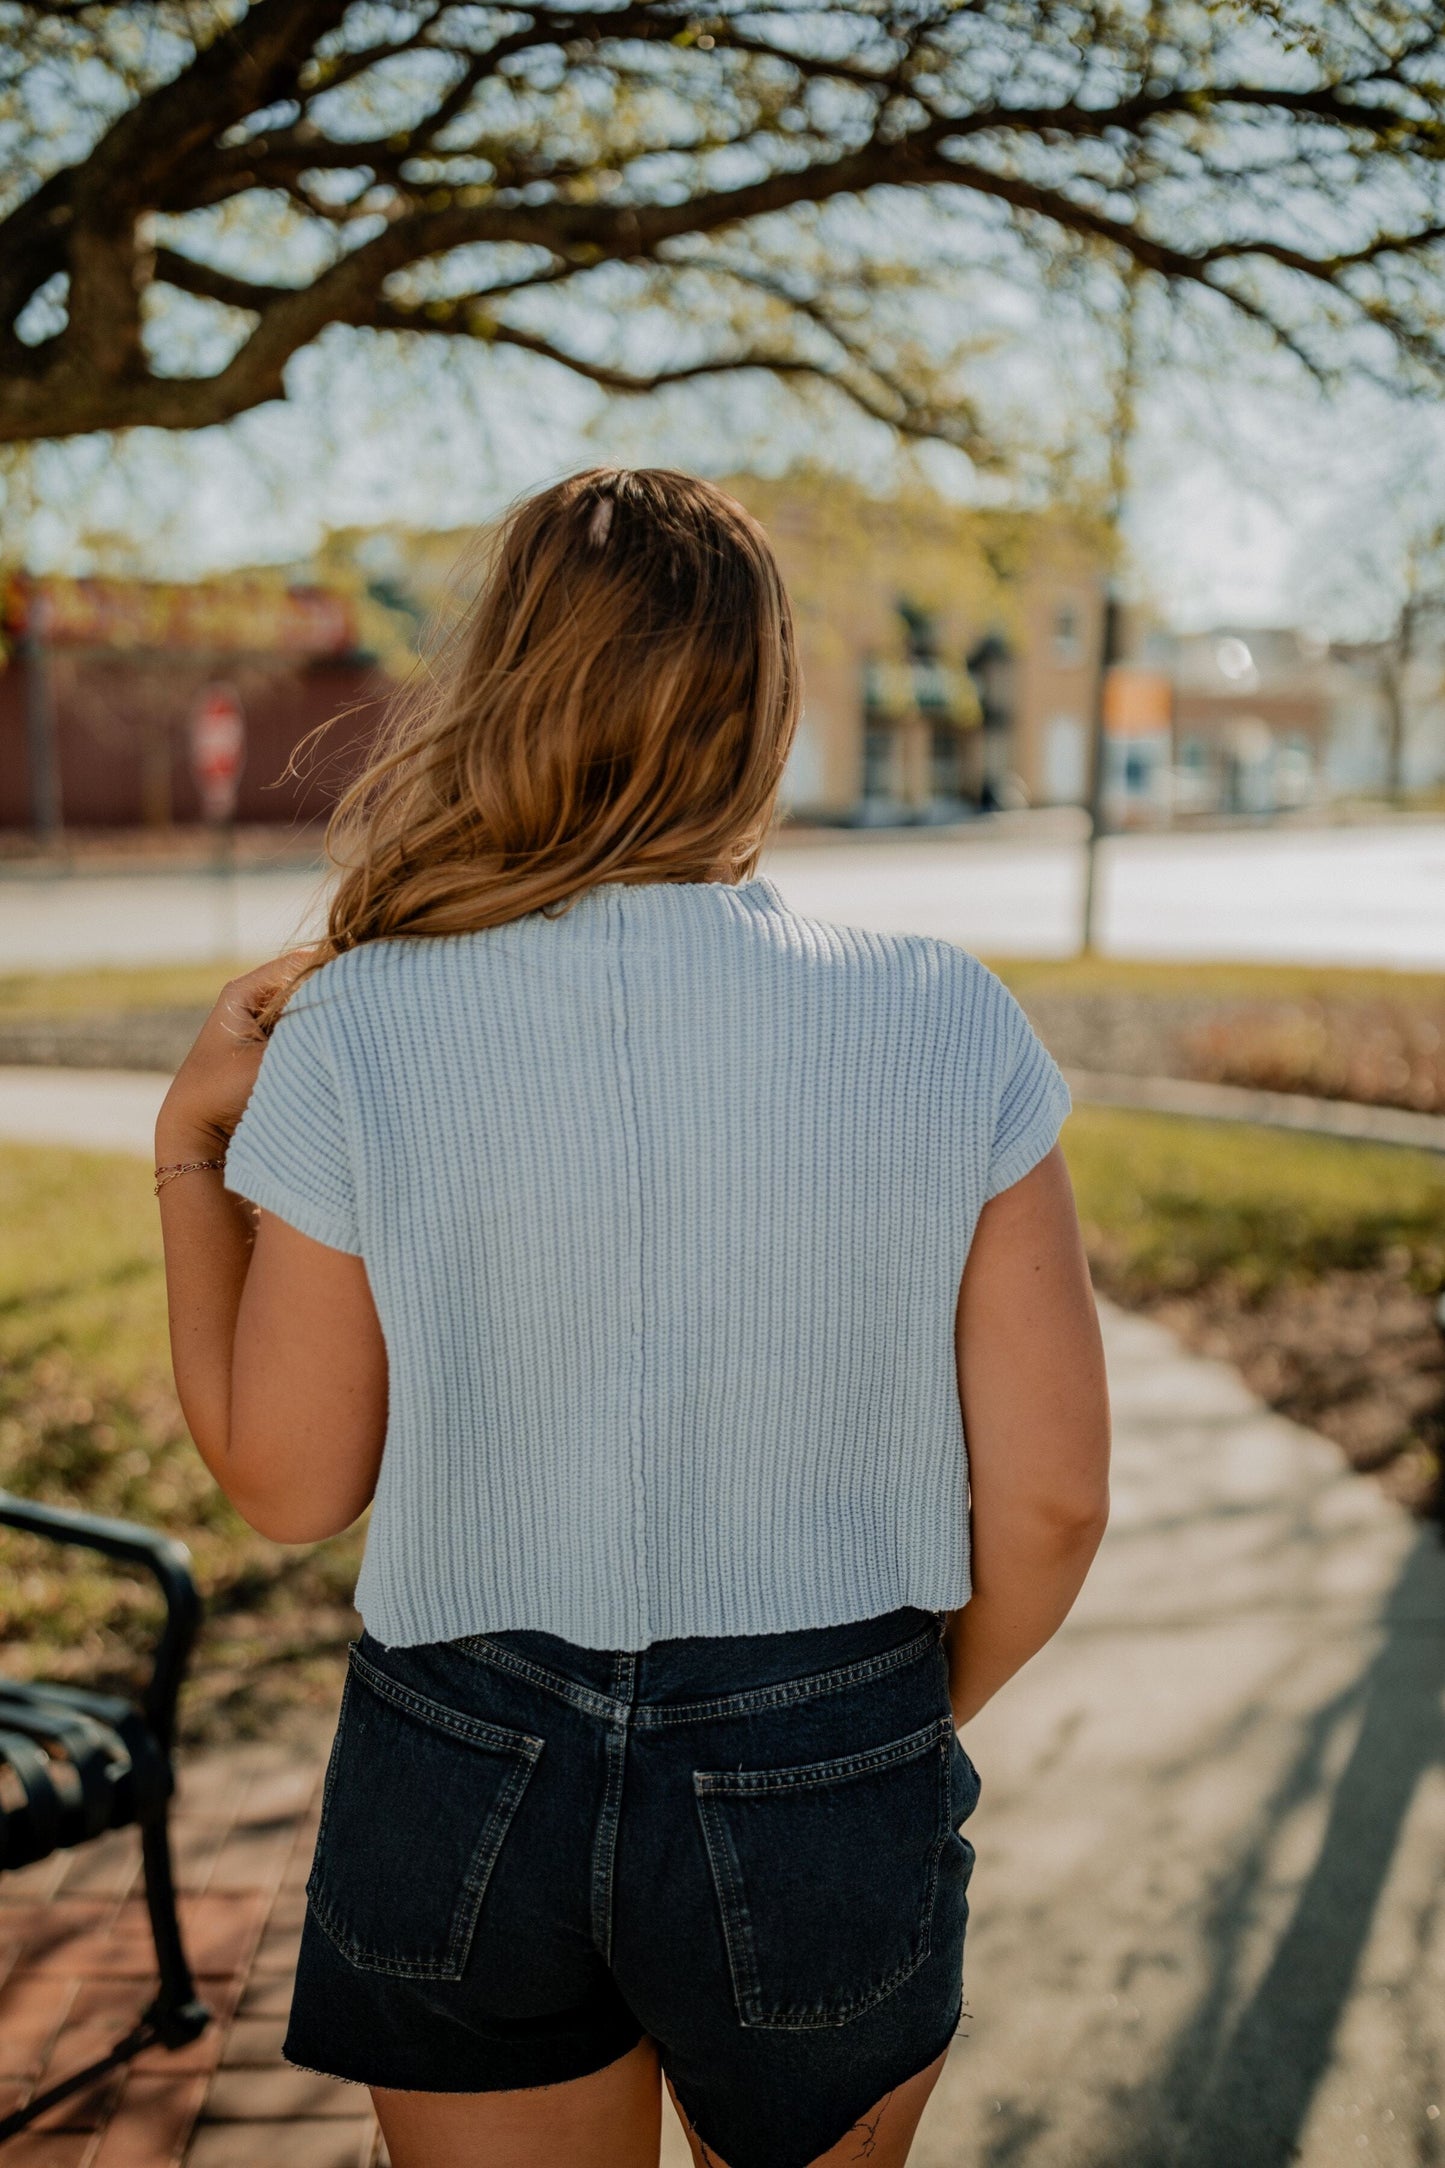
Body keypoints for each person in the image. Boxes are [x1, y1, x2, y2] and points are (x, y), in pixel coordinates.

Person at [155, 467, 1110, 2168]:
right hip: (826, 1729)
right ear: (763, 706)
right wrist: (872, 1727)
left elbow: (288, 1487)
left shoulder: (359, 1027)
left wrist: (187, 1152)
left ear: (501, 684)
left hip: (459, 1766)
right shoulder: (940, 1019)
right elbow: (1049, 1501)